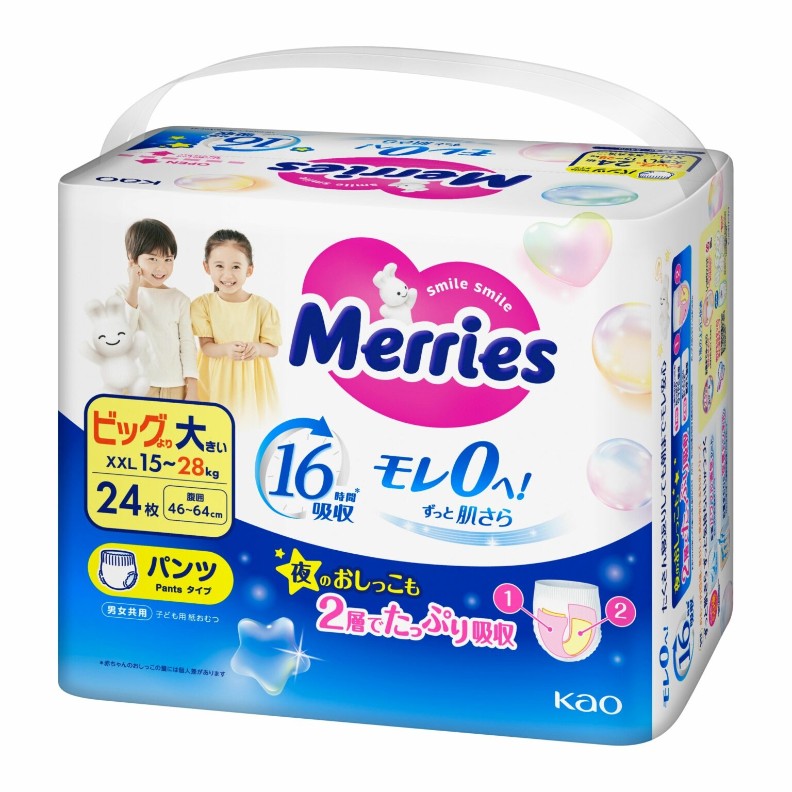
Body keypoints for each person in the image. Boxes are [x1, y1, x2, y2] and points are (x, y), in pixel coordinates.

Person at [191, 229, 281, 423]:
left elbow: (273, 349)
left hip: (251, 381)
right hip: (215, 379)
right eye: (219, 266)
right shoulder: (203, 305)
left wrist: (257, 348)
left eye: (236, 267)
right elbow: (206, 347)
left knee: (249, 427)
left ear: (249, 269)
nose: (227, 274)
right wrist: (225, 349)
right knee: (215, 426)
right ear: (207, 267)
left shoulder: (263, 307)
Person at [121, 218, 198, 400]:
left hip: (175, 386)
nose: (161, 267)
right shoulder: (124, 294)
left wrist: (192, 388)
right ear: (132, 258)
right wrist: (134, 287)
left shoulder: (180, 300)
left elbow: (188, 344)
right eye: (152, 258)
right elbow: (124, 335)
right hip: (136, 384)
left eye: (168, 259)